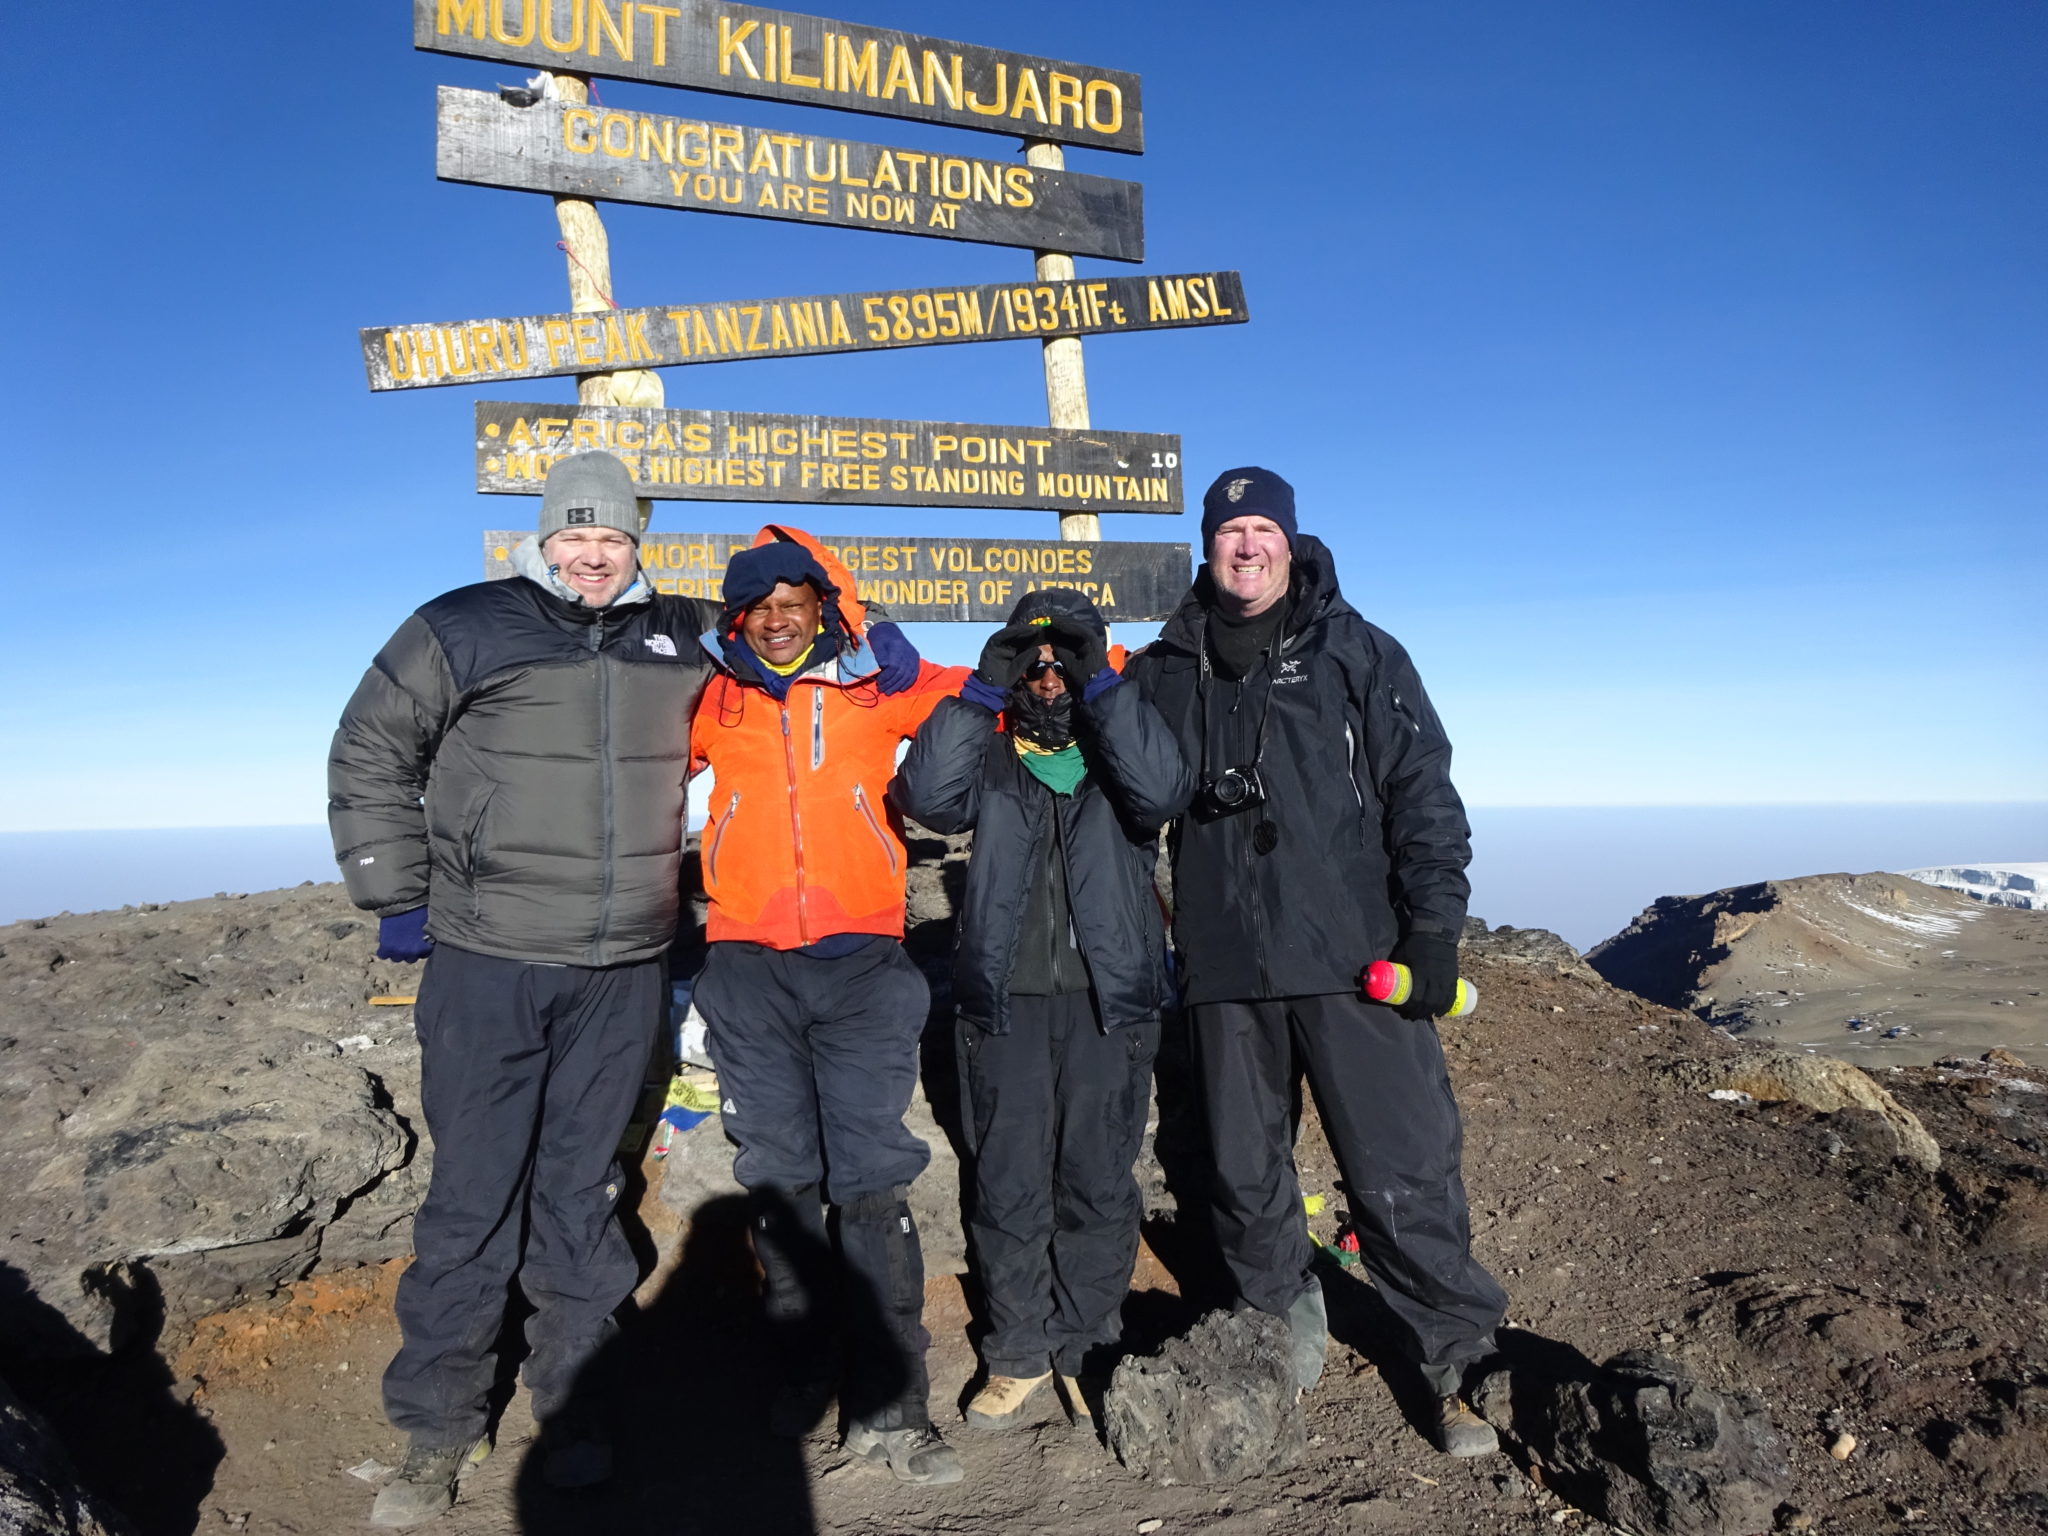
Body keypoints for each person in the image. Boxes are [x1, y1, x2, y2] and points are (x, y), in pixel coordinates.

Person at [327, 457, 926, 1527]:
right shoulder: (463, 623)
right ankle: (436, 1427)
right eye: (575, 536)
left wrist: (861, 626)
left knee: (579, 1190)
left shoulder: (679, 637)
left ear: (635, 546)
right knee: (472, 1191)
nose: (593, 555)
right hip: (490, 954)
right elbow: (372, 748)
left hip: (623, 964)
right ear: (544, 538)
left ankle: (574, 1408)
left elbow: (783, 603)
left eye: (612, 539)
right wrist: (394, 894)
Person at [1126, 467, 1509, 1458]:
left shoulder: (1358, 653)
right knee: (1242, 1172)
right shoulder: (1165, 664)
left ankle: (1456, 1357)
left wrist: (1432, 933)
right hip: (1220, 965)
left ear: (1289, 541)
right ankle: (1272, 1329)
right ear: (1204, 545)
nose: (1244, 547)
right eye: (1227, 531)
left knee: (1399, 1165)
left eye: (1261, 529)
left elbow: (1422, 796)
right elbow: (1122, 794)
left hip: (1352, 962)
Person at [686, 527, 970, 1485]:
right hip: (744, 964)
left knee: (871, 1179)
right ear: (738, 617)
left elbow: (994, 687)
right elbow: (615, 756)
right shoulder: (710, 698)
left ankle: (895, 1407)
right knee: (780, 1181)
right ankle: (803, 1378)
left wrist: (1111, 660)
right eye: (757, 607)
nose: (776, 619)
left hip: (861, 961)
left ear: (822, 607)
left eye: (793, 602)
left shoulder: (875, 684)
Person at [892, 589, 1193, 1431]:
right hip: (1005, 1003)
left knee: (1099, 1181)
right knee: (1011, 1181)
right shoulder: (989, 753)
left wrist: (1103, 686)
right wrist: (980, 693)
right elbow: (925, 798)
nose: (1049, 673)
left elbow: (1162, 793)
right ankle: (1021, 1349)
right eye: (1033, 659)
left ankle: (1088, 1340)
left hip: (1113, 1000)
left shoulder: (1118, 746)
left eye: (1067, 657)